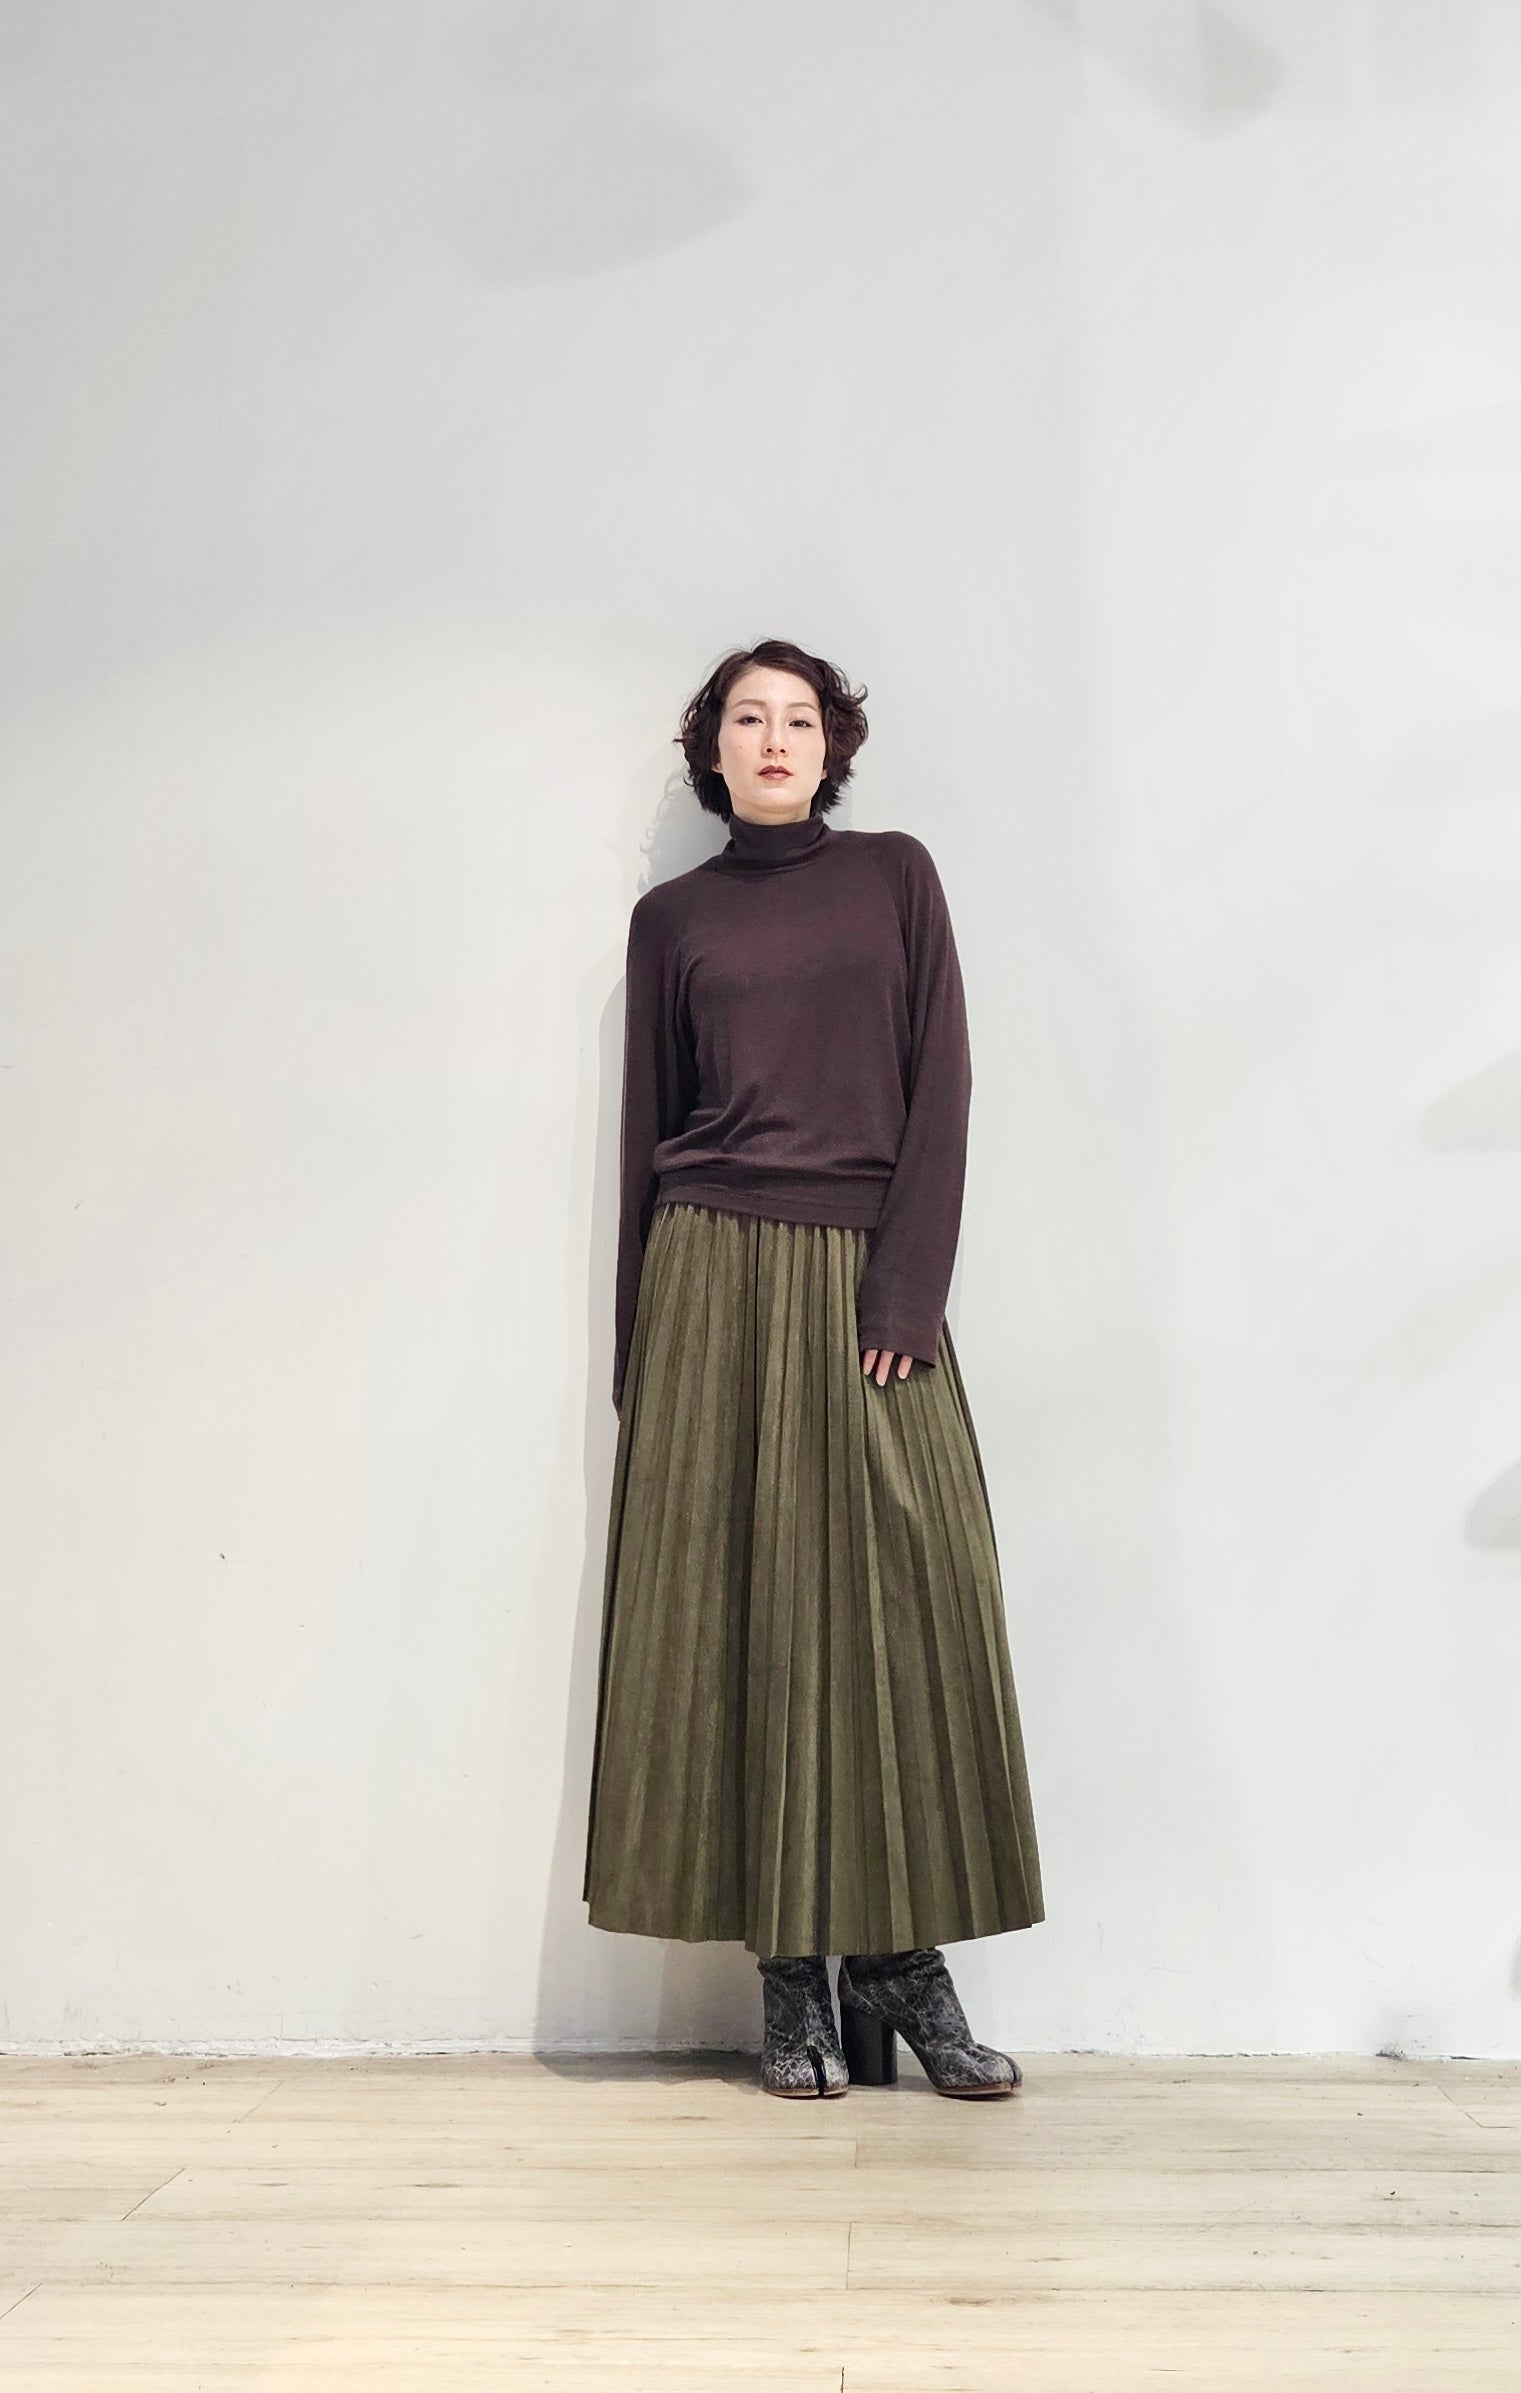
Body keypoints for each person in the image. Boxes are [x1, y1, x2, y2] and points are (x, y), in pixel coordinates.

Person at [582, 638, 1044, 2099]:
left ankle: (899, 1961)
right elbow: (647, 1132)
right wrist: (642, 1350)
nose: (773, 737)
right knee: (746, 1618)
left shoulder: (896, 878)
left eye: (798, 717)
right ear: (711, 749)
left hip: (861, 1278)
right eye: (747, 717)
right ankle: (790, 1974)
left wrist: (908, 1282)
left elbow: (942, 1084)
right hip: (710, 1273)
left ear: (832, 745)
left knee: (911, 1602)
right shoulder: (671, 920)